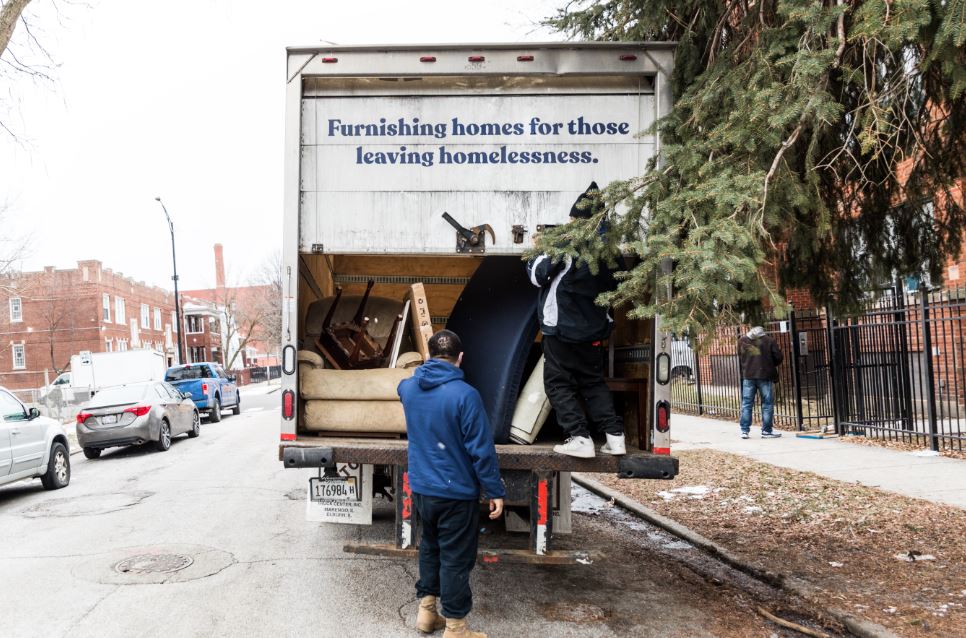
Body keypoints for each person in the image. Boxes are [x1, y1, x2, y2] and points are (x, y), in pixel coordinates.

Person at [397, 329, 505, 638]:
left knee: (430, 549)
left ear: (429, 357)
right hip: (456, 492)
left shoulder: (409, 389)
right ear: (460, 358)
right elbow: (481, 450)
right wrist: (494, 490)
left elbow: (401, 386)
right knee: (456, 559)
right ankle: (456, 628)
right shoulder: (466, 395)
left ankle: (427, 614)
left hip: (422, 489)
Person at [526, 181, 626, 459]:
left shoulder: (567, 244)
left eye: (572, 218)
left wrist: (538, 249)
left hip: (561, 331)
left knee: (558, 384)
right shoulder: (610, 251)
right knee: (592, 382)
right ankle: (615, 437)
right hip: (593, 332)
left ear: (579, 218)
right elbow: (618, 288)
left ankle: (579, 437)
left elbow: (537, 276)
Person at [738, 326, 784, 439]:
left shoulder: (742, 341)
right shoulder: (769, 341)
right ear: (762, 333)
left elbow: (741, 357)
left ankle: (744, 431)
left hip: (748, 375)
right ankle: (767, 431)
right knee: (767, 404)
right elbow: (778, 358)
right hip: (765, 375)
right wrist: (769, 363)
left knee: (747, 403)